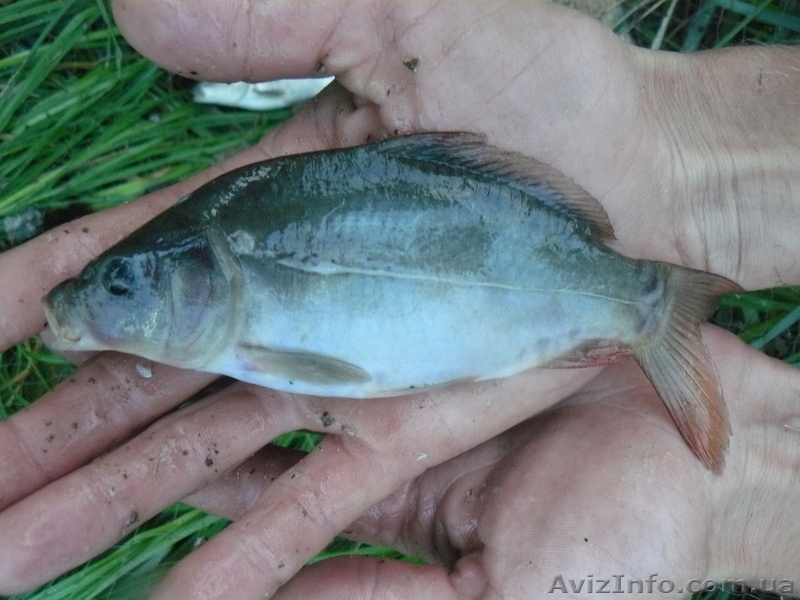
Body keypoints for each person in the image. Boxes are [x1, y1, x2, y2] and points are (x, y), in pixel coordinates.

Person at [0, 1, 798, 598]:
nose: (97, 299)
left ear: (204, 271)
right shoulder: (231, 231)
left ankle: (658, 307)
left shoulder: (239, 243)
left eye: (123, 281)